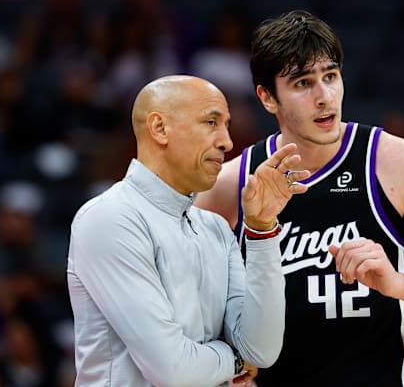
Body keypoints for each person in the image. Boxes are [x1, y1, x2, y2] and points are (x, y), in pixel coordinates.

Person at [194, 10, 404, 386]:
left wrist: (397, 284)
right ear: (267, 98)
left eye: (330, 77)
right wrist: (224, 361)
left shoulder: (397, 164)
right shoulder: (231, 187)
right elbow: (188, 317)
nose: (324, 97)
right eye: (302, 83)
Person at [67, 75, 311, 387]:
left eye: (226, 124)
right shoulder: (110, 218)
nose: (227, 141)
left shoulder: (216, 228)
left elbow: (262, 350)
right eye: (211, 122)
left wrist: (262, 230)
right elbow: (172, 370)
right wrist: (236, 360)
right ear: (159, 128)